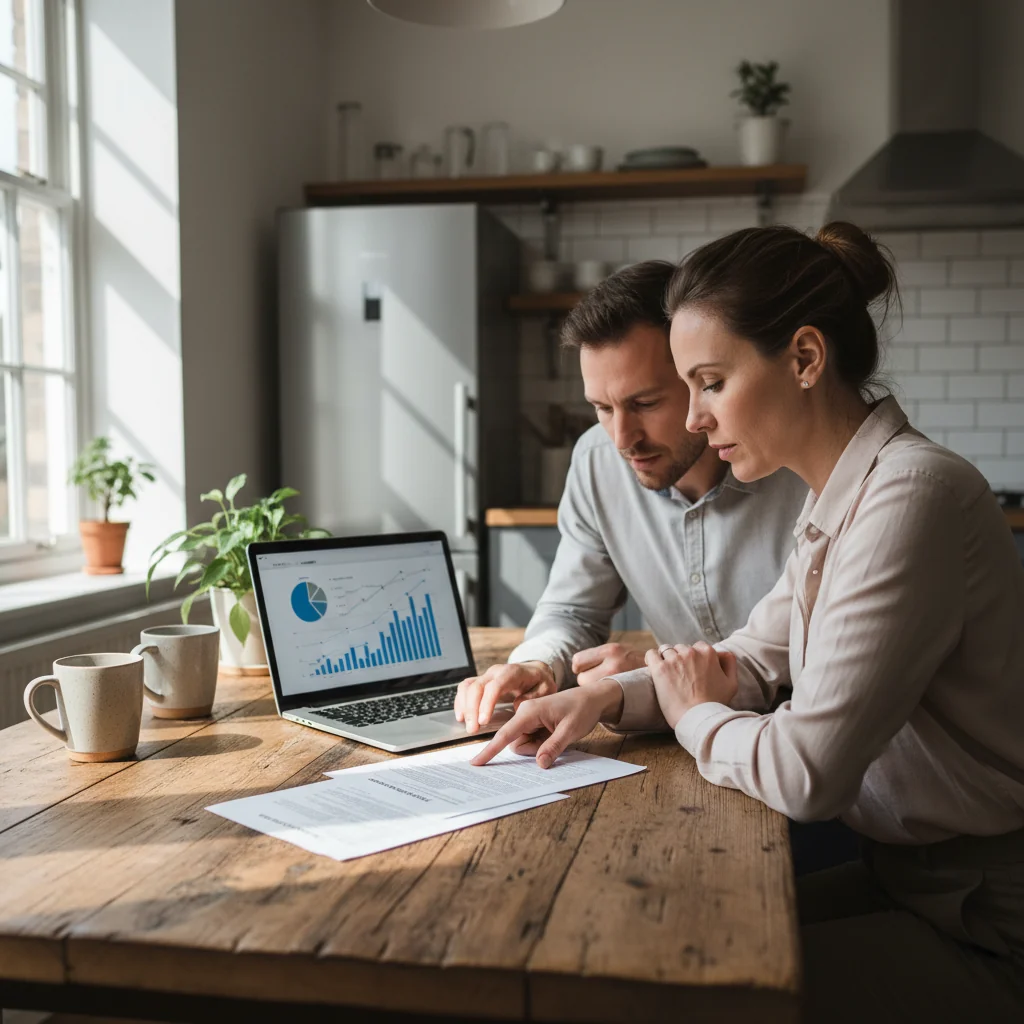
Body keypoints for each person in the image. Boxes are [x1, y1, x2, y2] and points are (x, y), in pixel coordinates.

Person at [473, 222, 1024, 1022]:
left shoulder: (910, 497)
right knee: (651, 954)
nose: (695, 419)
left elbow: (807, 773)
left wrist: (693, 714)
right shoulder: (843, 495)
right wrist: (600, 699)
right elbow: (752, 660)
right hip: (906, 876)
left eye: (709, 382)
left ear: (804, 359)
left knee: (681, 998)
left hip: (987, 920)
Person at [454, 261, 806, 733]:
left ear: (701, 379)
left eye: (644, 404)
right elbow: (572, 610)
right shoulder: (598, 462)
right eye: (602, 408)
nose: (623, 438)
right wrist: (539, 665)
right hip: (689, 739)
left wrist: (644, 678)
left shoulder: (802, 473)